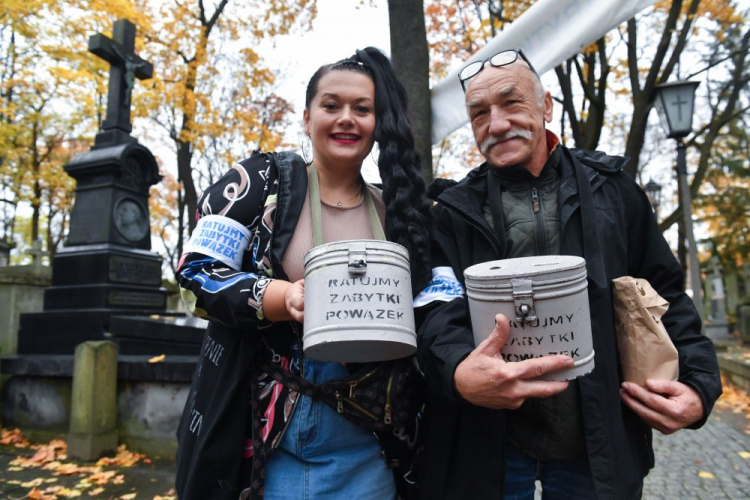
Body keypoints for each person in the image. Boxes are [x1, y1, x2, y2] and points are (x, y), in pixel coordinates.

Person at [414, 49, 722, 499]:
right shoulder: (454, 213)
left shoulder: (615, 193)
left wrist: (699, 387)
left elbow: (665, 294)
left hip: (596, 446)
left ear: (546, 106)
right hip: (494, 448)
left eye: (511, 103)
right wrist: (458, 368)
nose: (496, 124)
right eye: (479, 114)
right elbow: (437, 310)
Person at [174, 47, 431, 500]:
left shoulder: (398, 211)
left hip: (366, 445)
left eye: (362, 109)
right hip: (266, 445)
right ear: (307, 116)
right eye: (332, 105)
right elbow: (197, 268)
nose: (346, 118)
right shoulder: (258, 183)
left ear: (379, 123)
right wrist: (279, 297)